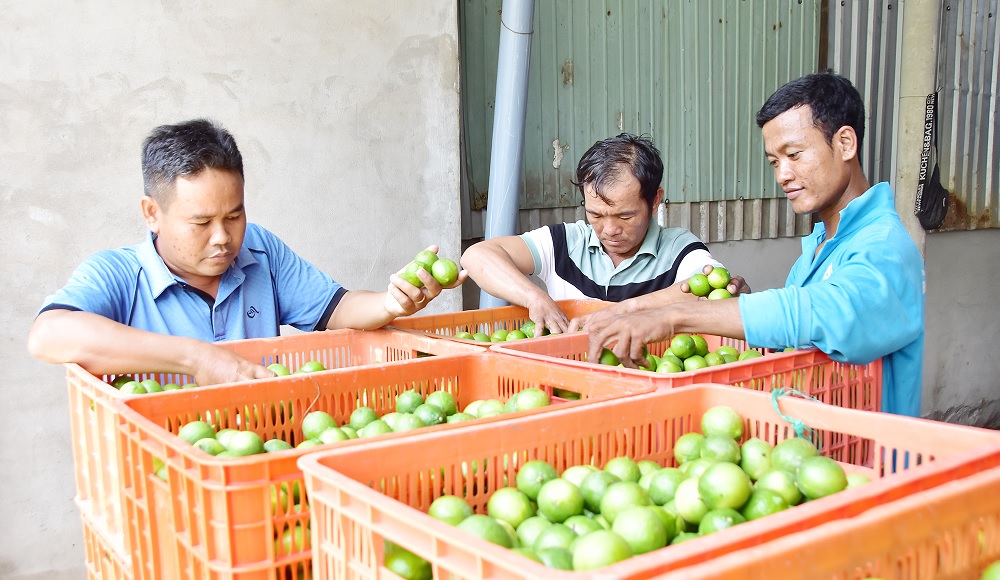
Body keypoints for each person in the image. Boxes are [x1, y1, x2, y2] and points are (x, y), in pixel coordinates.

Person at [584, 72, 925, 416]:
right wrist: (739, 307)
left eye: (795, 155)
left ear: (846, 143)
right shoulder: (821, 248)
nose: (783, 175)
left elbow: (832, 313)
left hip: (868, 463)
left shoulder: (884, 247)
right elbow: (799, 337)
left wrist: (674, 316)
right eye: (775, 162)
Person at [27, 119, 465, 386]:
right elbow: (48, 335)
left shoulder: (259, 250)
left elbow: (338, 308)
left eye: (234, 216)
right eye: (201, 223)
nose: (222, 238)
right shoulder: (118, 273)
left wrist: (392, 301)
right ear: (151, 213)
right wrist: (197, 358)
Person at [460, 133, 747, 336]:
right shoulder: (565, 242)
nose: (609, 230)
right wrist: (534, 297)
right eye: (596, 215)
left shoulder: (679, 249)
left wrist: (627, 309)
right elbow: (478, 256)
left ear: (655, 200)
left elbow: (714, 293)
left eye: (625, 216)